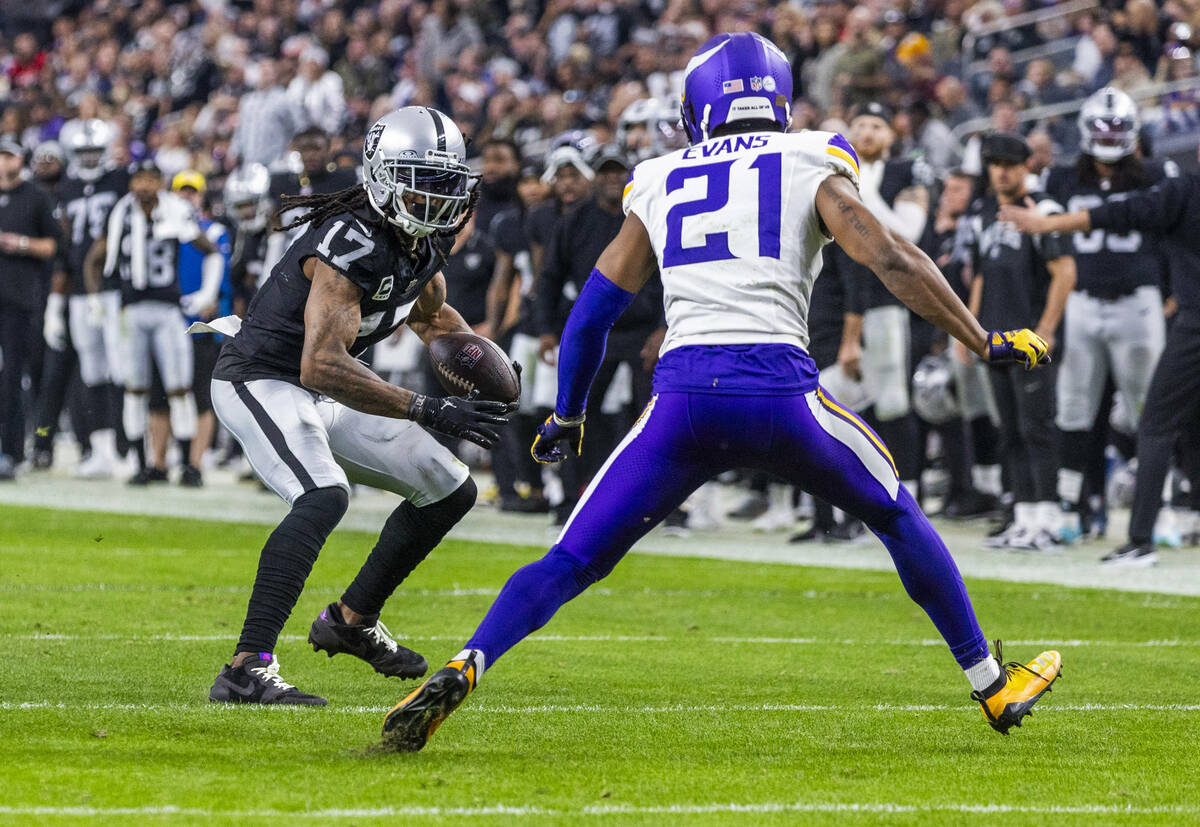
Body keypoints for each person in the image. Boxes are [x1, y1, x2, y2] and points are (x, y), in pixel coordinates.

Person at [383, 33, 1061, 752]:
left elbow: (592, 312)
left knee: (569, 558)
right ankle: (991, 683)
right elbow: (890, 257)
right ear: (779, 98)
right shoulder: (811, 155)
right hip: (780, 393)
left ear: (696, 106)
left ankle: (468, 661)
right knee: (894, 512)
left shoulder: (660, 174)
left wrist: (569, 412)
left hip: (681, 402)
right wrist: (980, 338)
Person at [204, 107, 516, 705]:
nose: (435, 194)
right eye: (420, 178)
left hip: (324, 386)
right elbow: (318, 362)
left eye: (444, 180)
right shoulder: (350, 240)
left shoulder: (420, 240)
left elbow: (431, 317)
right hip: (263, 378)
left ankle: (352, 619)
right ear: (380, 176)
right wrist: (426, 408)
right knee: (323, 495)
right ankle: (246, 666)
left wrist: (487, 360)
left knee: (449, 488)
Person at [1000, 150, 1200, 567]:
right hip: (1154, 316)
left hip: (1192, 325)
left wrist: (1049, 223)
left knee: (1156, 424)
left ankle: (1142, 537)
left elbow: (1119, 213)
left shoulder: (1185, 190)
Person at [1043, 88, 1176, 543]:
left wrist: (1173, 291)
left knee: (1149, 412)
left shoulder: (1155, 175)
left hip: (1138, 303)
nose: (1109, 135)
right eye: (1102, 127)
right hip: (1081, 303)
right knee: (1074, 409)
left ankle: (1160, 512)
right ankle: (1068, 509)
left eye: (1117, 127)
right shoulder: (1061, 179)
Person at [956, 132, 1075, 550]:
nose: (1002, 171)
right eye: (995, 164)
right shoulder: (988, 211)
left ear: (1026, 165)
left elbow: (1065, 272)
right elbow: (985, 273)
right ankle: (1024, 518)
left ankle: (1050, 520)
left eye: (1009, 163)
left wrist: (1046, 328)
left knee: (1036, 427)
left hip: (1029, 335)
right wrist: (969, 327)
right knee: (1011, 430)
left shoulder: (1043, 209)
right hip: (996, 335)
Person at [82, 161, 222, 485]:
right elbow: (93, 259)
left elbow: (211, 252)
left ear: (159, 182)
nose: (144, 185)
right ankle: (141, 464)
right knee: (134, 390)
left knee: (179, 388)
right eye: (139, 179)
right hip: (131, 310)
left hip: (167, 310)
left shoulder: (176, 211)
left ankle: (188, 465)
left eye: (150, 179)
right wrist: (93, 299)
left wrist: (206, 295)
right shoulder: (120, 215)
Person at [836, 102, 933, 501]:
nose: (867, 132)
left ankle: (908, 491)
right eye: (859, 123)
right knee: (857, 406)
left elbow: (907, 230)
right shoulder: (836, 176)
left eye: (876, 124)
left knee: (894, 402)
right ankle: (864, 492)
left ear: (891, 135)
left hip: (890, 299)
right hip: (842, 301)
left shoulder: (904, 171)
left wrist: (857, 196)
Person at [53, 119, 130, 477]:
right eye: (82, 152)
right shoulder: (66, 187)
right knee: (92, 369)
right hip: (80, 293)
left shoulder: (118, 180)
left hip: (113, 287)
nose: (88, 158)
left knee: (120, 367)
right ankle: (99, 448)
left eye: (93, 151)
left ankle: (126, 446)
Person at [0, 137, 60, 479]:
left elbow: (53, 245)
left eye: (9, 156)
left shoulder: (35, 196)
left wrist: (19, 243)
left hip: (19, 300)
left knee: (12, 378)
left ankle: (12, 451)